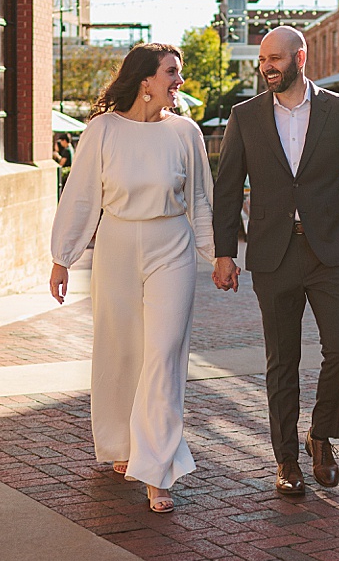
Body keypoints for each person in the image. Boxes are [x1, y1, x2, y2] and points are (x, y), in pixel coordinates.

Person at [211, 26, 339, 495]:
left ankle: (321, 434)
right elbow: (228, 188)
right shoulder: (245, 116)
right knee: (282, 361)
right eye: (262, 60)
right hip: (272, 254)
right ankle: (286, 460)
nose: (266, 66)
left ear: (300, 57)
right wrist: (225, 252)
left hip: (329, 252)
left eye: (275, 58)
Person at [48, 43, 215, 513]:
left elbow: (201, 200)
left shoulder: (186, 132)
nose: (179, 82)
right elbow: (81, 196)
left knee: (164, 354)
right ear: (145, 80)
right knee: (121, 349)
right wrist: (63, 256)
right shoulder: (102, 131)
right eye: (172, 73)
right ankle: (122, 443)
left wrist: (218, 255)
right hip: (118, 247)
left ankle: (157, 467)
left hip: (172, 246)